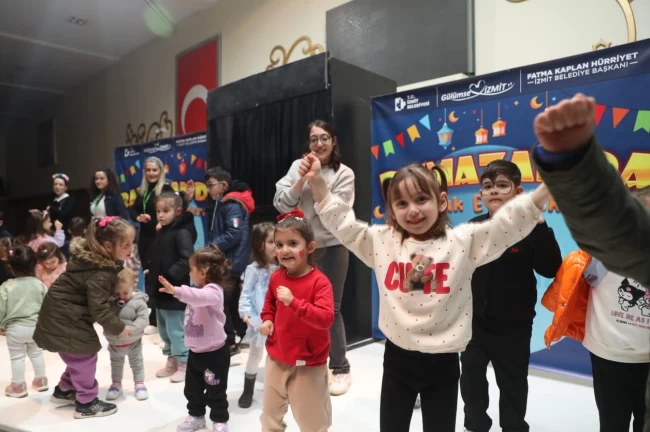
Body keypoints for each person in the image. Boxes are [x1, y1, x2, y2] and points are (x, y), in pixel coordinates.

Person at [301, 152, 550, 431]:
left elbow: (507, 225)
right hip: (397, 359)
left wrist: (549, 186)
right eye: (402, 203)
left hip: (443, 362)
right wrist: (318, 182)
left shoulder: (463, 242)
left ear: (441, 201)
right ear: (391, 209)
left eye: (421, 199)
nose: (413, 210)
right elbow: (341, 223)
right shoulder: (381, 241)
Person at [529, 93, 650, 432]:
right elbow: (603, 224)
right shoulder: (597, 255)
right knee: (612, 422)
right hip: (608, 354)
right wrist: (574, 161)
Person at [460, 160, 562, 432]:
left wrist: (540, 226)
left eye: (502, 185)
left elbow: (551, 268)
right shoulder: (474, 227)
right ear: (481, 194)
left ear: (518, 192)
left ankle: (514, 426)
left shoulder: (531, 228)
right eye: (487, 186)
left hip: (514, 325)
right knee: (470, 378)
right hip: (475, 323)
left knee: (513, 381)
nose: (494, 191)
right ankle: (475, 424)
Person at [274, 120, 355, 395]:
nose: (318, 144)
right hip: (302, 248)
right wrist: (301, 179)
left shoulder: (344, 173)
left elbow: (334, 213)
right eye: (313, 139)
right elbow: (281, 202)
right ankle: (306, 361)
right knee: (297, 305)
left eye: (324, 138)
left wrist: (317, 178)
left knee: (330, 309)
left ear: (334, 141)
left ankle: (340, 368)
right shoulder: (297, 167)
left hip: (332, 247)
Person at [33, 216, 135, 419]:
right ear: (108, 246)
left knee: (76, 354)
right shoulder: (100, 273)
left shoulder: (94, 262)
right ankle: (86, 403)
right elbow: (99, 310)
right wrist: (119, 327)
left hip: (61, 315)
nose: (131, 249)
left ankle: (65, 389)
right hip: (65, 318)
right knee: (84, 357)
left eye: (132, 243)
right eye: (125, 245)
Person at [543, 245, 649, 432]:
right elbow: (578, 272)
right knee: (613, 422)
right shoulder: (602, 249)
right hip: (608, 352)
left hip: (632, 353)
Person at [259, 211, 334, 432]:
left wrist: (294, 303)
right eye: (279, 244)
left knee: (311, 420)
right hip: (277, 356)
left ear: (310, 247)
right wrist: (267, 320)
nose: (284, 250)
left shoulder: (320, 282)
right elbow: (270, 304)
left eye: (292, 243)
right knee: (270, 416)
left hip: (308, 362)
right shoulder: (276, 277)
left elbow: (326, 318)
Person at [158, 245, 231, 432]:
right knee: (192, 389)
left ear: (203, 272)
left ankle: (219, 419)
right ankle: (196, 416)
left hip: (214, 355)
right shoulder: (197, 290)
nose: (189, 273)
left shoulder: (213, 291)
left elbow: (199, 297)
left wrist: (176, 291)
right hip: (195, 353)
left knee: (215, 390)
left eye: (191, 269)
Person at [205, 166, 255, 355]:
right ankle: (244, 334)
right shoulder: (224, 203)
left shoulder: (232, 204)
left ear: (223, 185)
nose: (208, 189)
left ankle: (229, 342)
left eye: (211, 185)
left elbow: (234, 233)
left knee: (221, 301)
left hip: (230, 260)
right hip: (231, 259)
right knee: (232, 301)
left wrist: (213, 246)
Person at [147, 191, 192, 383]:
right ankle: (171, 359)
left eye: (166, 211)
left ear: (178, 211)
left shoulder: (182, 233)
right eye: (158, 211)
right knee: (164, 330)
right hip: (160, 291)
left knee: (176, 330)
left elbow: (186, 260)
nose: (161, 215)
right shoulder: (161, 232)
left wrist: (170, 277)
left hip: (174, 291)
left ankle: (184, 362)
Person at [130, 156, 173, 333]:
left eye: (154, 170)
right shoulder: (143, 190)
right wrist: (138, 217)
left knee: (159, 276)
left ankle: (160, 319)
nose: (151, 173)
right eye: (148, 170)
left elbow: (173, 212)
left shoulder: (166, 189)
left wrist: (159, 222)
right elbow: (132, 210)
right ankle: (153, 318)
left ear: (160, 171)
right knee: (148, 277)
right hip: (145, 239)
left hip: (160, 237)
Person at [238, 222, 278, 408]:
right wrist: (247, 315)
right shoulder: (253, 269)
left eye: (277, 241)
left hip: (280, 320)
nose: (276, 245)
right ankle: (248, 389)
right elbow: (245, 295)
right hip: (260, 321)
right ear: (260, 244)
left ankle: (277, 389)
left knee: (278, 356)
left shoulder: (282, 268)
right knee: (255, 354)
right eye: (271, 241)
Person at [0, 246, 48, 398]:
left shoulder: (6, 287)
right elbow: (48, 306)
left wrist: (1, 325)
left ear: (10, 268)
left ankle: (18, 386)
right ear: (34, 265)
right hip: (36, 327)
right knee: (37, 353)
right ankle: (41, 381)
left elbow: (1, 308)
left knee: (17, 357)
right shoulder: (39, 284)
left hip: (15, 329)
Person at [104, 268, 149, 401]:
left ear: (133, 287)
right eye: (117, 293)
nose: (121, 296)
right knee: (116, 365)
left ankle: (139, 384)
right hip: (115, 343)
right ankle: (116, 384)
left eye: (125, 292)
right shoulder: (111, 303)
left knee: (137, 363)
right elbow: (105, 318)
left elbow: (143, 320)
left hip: (133, 341)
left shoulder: (139, 302)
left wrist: (131, 329)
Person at [47, 173, 78, 239]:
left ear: (66, 187)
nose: (57, 187)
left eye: (61, 185)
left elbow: (64, 216)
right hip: (53, 234)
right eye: (55, 184)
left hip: (66, 235)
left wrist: (51, 208)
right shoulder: (53, 200)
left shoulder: (70, 200)